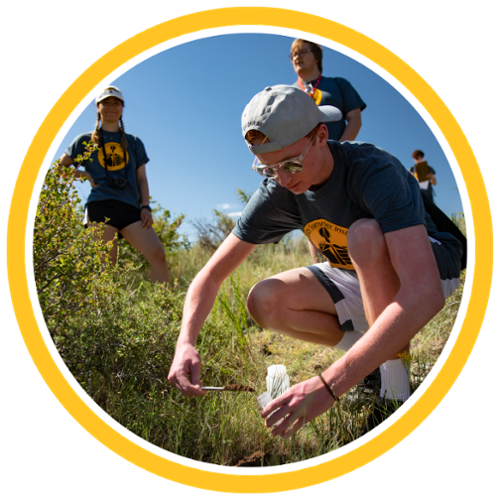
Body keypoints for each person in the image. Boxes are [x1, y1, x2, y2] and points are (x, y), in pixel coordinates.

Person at [168, 85, 462, 438]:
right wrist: (185, 341)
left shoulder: (372, 170)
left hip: (427, 265)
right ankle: (370, 362)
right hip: (356, 271)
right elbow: (211, 274)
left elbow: (424, 292)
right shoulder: (280, 189)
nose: (284, 179)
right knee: (264, 300)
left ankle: (395, 392)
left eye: (291, 163)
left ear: (321, 135)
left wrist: (329, 384)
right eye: (267, 168)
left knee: (364, 234)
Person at [59, 85, 170, 285]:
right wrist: (85, 175)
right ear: (98, 108)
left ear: (122, 108)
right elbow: (61, 168)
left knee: (157, 254)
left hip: (131, 208)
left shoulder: (134, 142)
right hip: (100, 205)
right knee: (106, 265)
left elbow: (142, 179)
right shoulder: (84, 141)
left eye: (116, 103)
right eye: (106, 103)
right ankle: (104, 315)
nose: (111, 107)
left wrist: (145, 206)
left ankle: (165, 313)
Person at [289, 38, 367, 264]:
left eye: (302, 51)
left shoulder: (338, 84)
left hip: (339, 160)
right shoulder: (289, 93)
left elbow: (355, 119)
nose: (297, 57)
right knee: (310, 210)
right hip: (301, 163)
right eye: (293, 54)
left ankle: (357, 263)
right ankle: (321, 266)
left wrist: (338, 148)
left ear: (316, 57)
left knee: (347, 208)